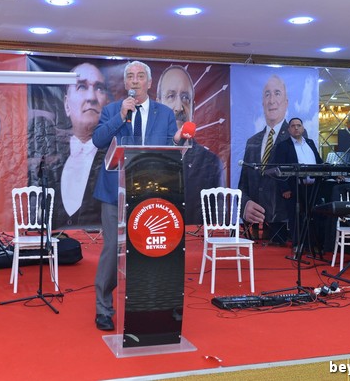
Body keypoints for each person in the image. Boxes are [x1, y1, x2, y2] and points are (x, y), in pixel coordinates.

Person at [92, 61, 179, 331]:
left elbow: (171, 148)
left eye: (140, 76)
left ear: (149, 83)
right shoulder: (112, 110)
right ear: (125, 83)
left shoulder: (165, 113)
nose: (135, 81)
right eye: (130, 76)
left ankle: (155, 302)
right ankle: (103, 308)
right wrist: (120, 116)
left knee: (151, 248)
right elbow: (98, 140)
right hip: (114, 192)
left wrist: (178, 141)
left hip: (151, 193)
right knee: (112, 248)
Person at [156, 65, 226, 224]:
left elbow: (219, 226)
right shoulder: (146, 157)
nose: (179, 107)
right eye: (171, 96)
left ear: (193, 108)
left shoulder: (211, 164)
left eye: (185, 98)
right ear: (158, 104)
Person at [51, 63, 108, 228]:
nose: (91, 97)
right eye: (81, 87)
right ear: (66, 105)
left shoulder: (116, 161)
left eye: (99, 88)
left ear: (107, 104)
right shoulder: (49, 163)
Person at [238, 74, 291, 244]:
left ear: (286, 102)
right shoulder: (252, 142)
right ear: (262, 103)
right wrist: (245, 205)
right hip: (253, 233)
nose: (271, 100)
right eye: (267, 94)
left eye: (277, 93)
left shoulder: (296, 139)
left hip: (283, 232)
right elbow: (243, 184)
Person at [273, 117, 323, 249]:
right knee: (296, 217)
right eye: (293, 126)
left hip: (313, 188)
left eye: (299, 125)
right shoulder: (283, 146)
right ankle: (298, 245)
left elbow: (319, 162)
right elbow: (279, 169)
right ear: (289, 129)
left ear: (303, 128)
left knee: (314, 215)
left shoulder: (310, 143)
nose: (296, 128)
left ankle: (313, 245)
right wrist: (284, 189)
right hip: (294, 188)